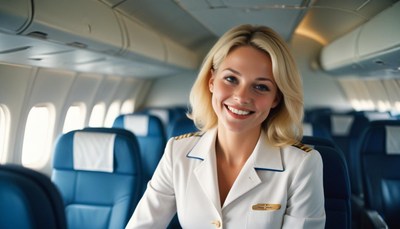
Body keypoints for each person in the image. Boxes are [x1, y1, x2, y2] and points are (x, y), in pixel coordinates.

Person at [126, 24, 325, 228]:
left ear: (276, 98)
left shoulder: (301, 165)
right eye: (231, 79)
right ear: (211, 81)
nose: (241, 97)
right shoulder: (177, 153)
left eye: (261, 87)